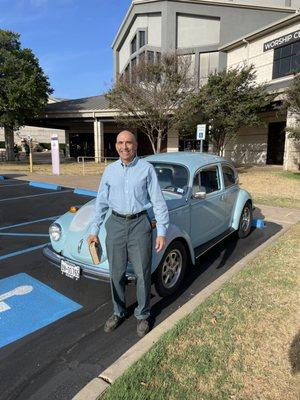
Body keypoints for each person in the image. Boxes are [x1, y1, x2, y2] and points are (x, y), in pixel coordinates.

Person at [88, 130, 169, 338]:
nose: (124, 147)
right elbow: (101, 203)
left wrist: (161, 231)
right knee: (116, 272)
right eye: (121, 143)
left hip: (139, 224)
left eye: (129, 143)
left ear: (136, 145)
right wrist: (94, 230)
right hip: (114, 223)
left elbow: (158, 202)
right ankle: (118, 311)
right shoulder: (110, 170)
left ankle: (142, 314)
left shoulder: (146, 169)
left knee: (142, 272)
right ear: (115, 145)